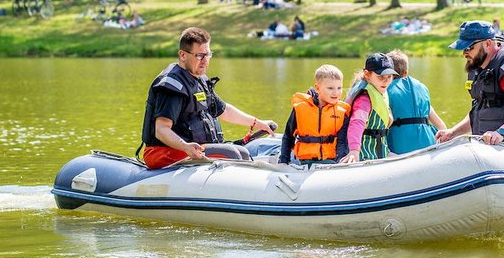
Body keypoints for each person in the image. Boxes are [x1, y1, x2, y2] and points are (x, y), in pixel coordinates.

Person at [140, 27, 274, 169]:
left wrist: (257, 123)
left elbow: (224, 111)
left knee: (240, 152)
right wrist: (185, 147)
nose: (205, 61)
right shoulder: (172, 85)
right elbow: (161, 129)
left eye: (208, 54)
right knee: (234, 154)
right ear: (183, 55)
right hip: (163, 153)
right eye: (199, 56)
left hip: (194, 149)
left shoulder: (199, 79)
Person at [278, 64, 350, 166]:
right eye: (330, 88)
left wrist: (339, 164)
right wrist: (283, 161)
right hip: (304, 162)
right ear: (317, 88)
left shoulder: (342, 112)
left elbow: (342, 142)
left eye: (339, 88)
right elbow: (288, 136)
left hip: (331, 161)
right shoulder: (300, 108)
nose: (336, 93)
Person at [385, 50, 447, 154]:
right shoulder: (421, 88)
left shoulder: (385, 89)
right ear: (406, 72)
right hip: (428, 142)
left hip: (400, 145)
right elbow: (440, 125)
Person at [339, 53, 398, 163]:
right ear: (367, 74)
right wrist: (354, 151)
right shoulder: (364, 99)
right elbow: (357, 123)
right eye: (381, 77)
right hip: (365, 156)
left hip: (381, 152)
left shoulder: (380, 91)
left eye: (389, 77)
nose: (386, 81)